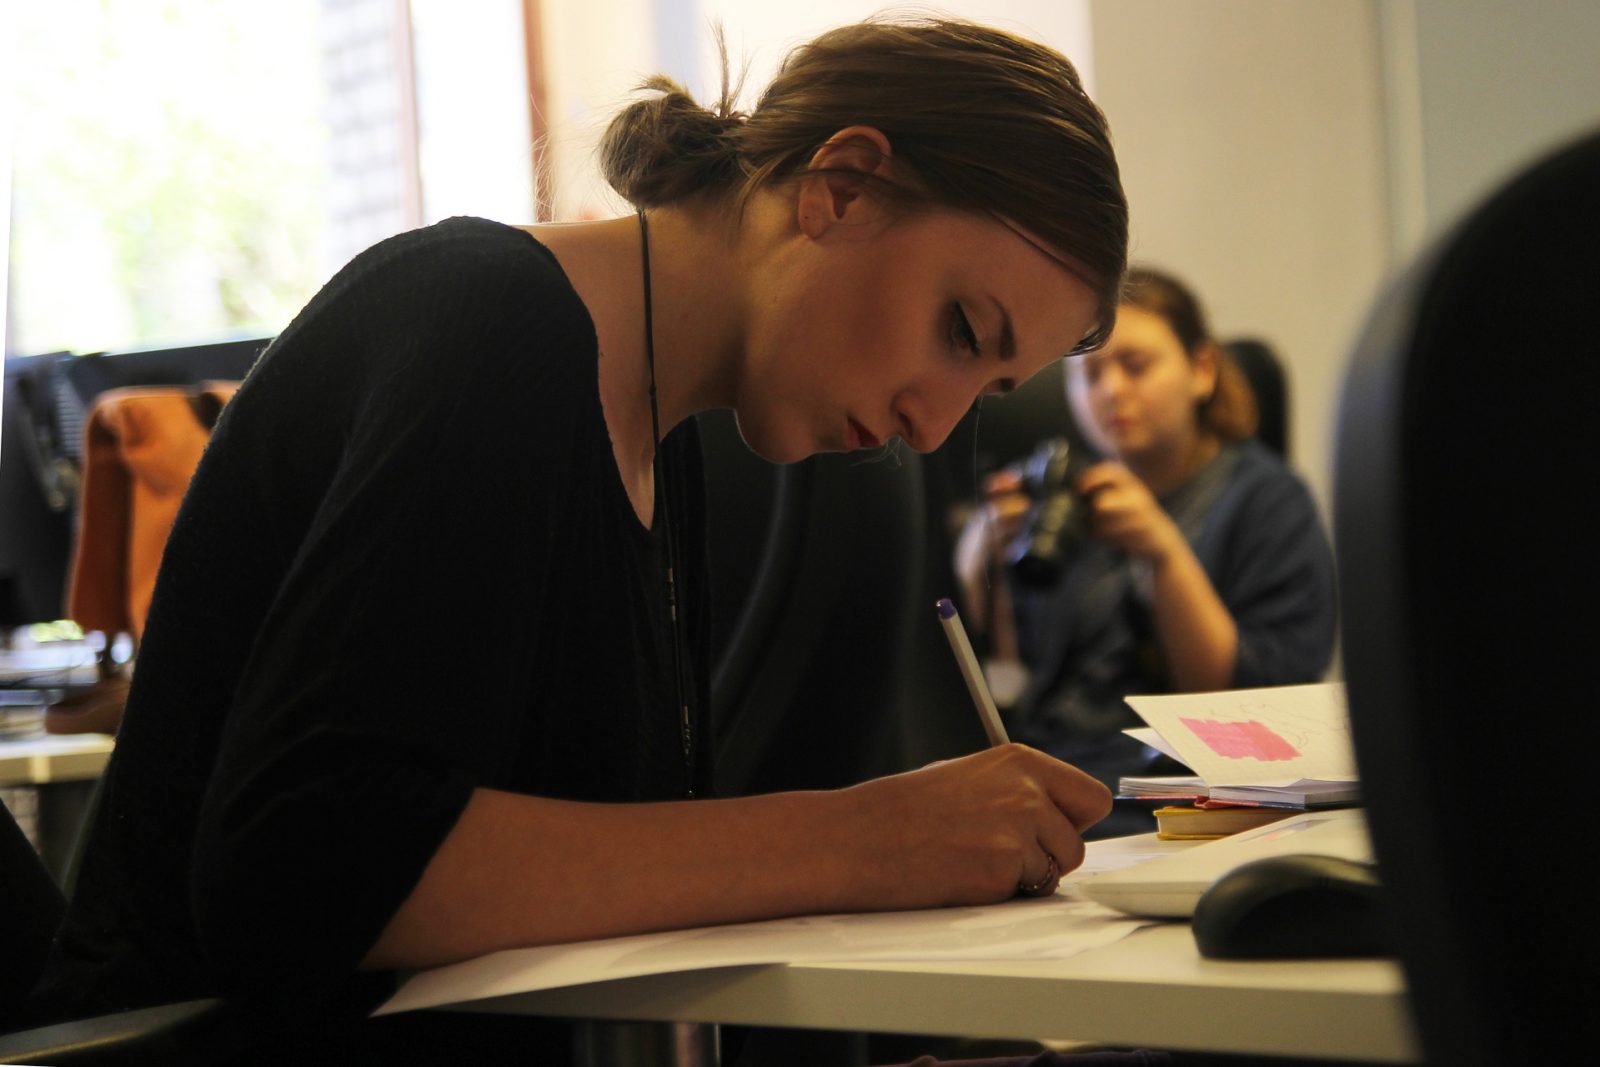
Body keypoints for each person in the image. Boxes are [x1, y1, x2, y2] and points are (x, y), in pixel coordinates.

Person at [23, 16, 1140, 1064]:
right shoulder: (487, 328)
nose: (931, 425)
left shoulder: (667, 442)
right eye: (960, 331)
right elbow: (308, 873)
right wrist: (865, 838)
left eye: (987, 389)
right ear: (840, 188)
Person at [955, 268, 1337, 837]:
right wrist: (975, 569)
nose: (1110, 391)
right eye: (1088, 374)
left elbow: (1258, 711)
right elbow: (1015, 681)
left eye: (1135, 367)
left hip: (1188, 799)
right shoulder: (1065, 497)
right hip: (1055, 779)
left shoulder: (1267, 501)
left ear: (1201, 371)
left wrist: (1163, 552)